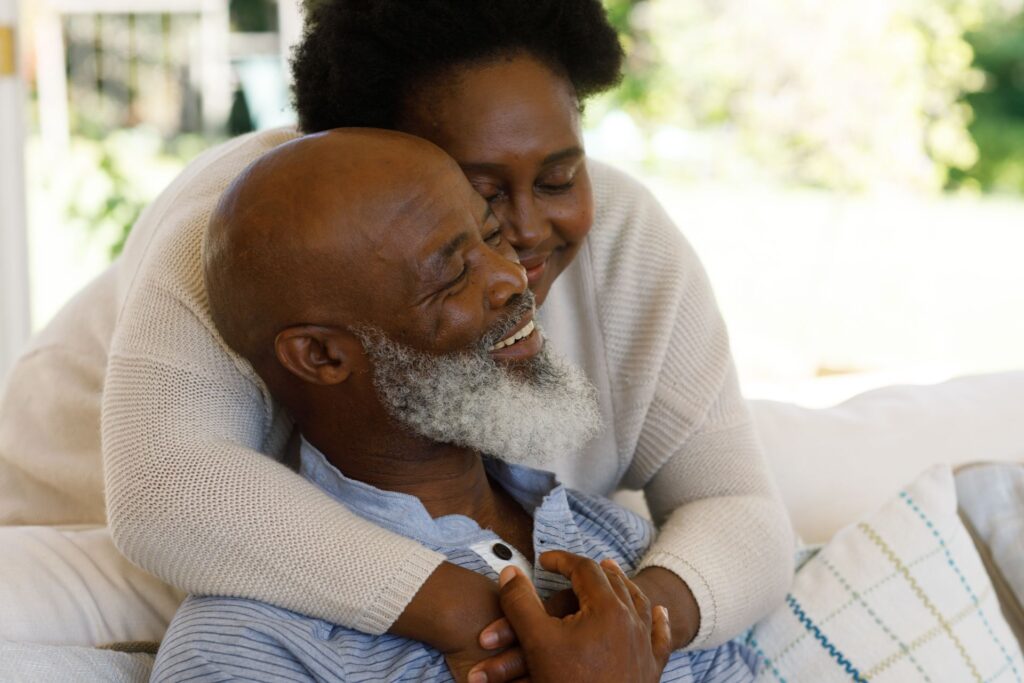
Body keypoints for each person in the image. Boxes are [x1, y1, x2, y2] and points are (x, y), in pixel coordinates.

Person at [0, 1, 793, 680]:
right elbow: (169, 497)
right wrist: (512, 623)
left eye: (557, 177)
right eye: (477, 198)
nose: (520, 240)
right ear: (358, 146)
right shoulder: (249, 230)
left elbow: (737, 504)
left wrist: (616, 629)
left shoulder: (622, 233)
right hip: (81, 536)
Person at [151, 127, 759, 683]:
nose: (512, 278)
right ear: (321, 356)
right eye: (449, 278)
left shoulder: (614, 543)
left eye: (491, 237)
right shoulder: (249, 646)